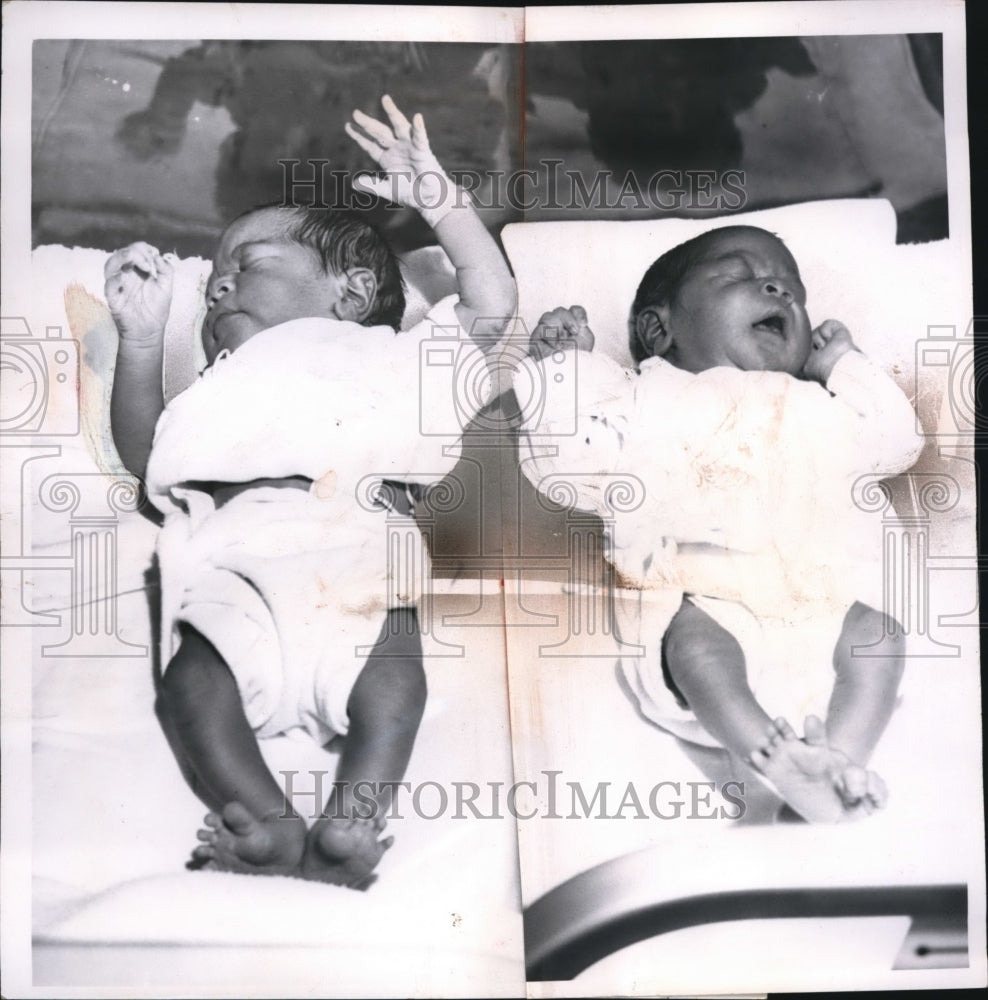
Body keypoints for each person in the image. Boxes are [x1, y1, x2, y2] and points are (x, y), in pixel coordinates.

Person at [106, 96, 517, 885]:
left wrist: (438, 199)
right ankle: (265, 822)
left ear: (353, 294)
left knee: (395, 681)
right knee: (193, 683)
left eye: (247, 265)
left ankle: (350, 822)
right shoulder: (221, 382)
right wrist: (145, 337)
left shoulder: (391, 358)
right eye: (215, 279)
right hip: (235, 548)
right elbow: (148, 453)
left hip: (358, 542)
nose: (219, 287)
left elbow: (491, 303)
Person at [516, 225, 923, 823]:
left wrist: (844, 365)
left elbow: (895, 442)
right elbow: (566, 465)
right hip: (706, 601)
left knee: (879, 634)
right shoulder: (643, 398)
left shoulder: (818, 405)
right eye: (738, 274)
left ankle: (836, 767)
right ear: (660, 330)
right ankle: (767, 753)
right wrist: (566, 369)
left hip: (820, 606)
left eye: (792, 288)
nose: (777, 288)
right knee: (695, 644)